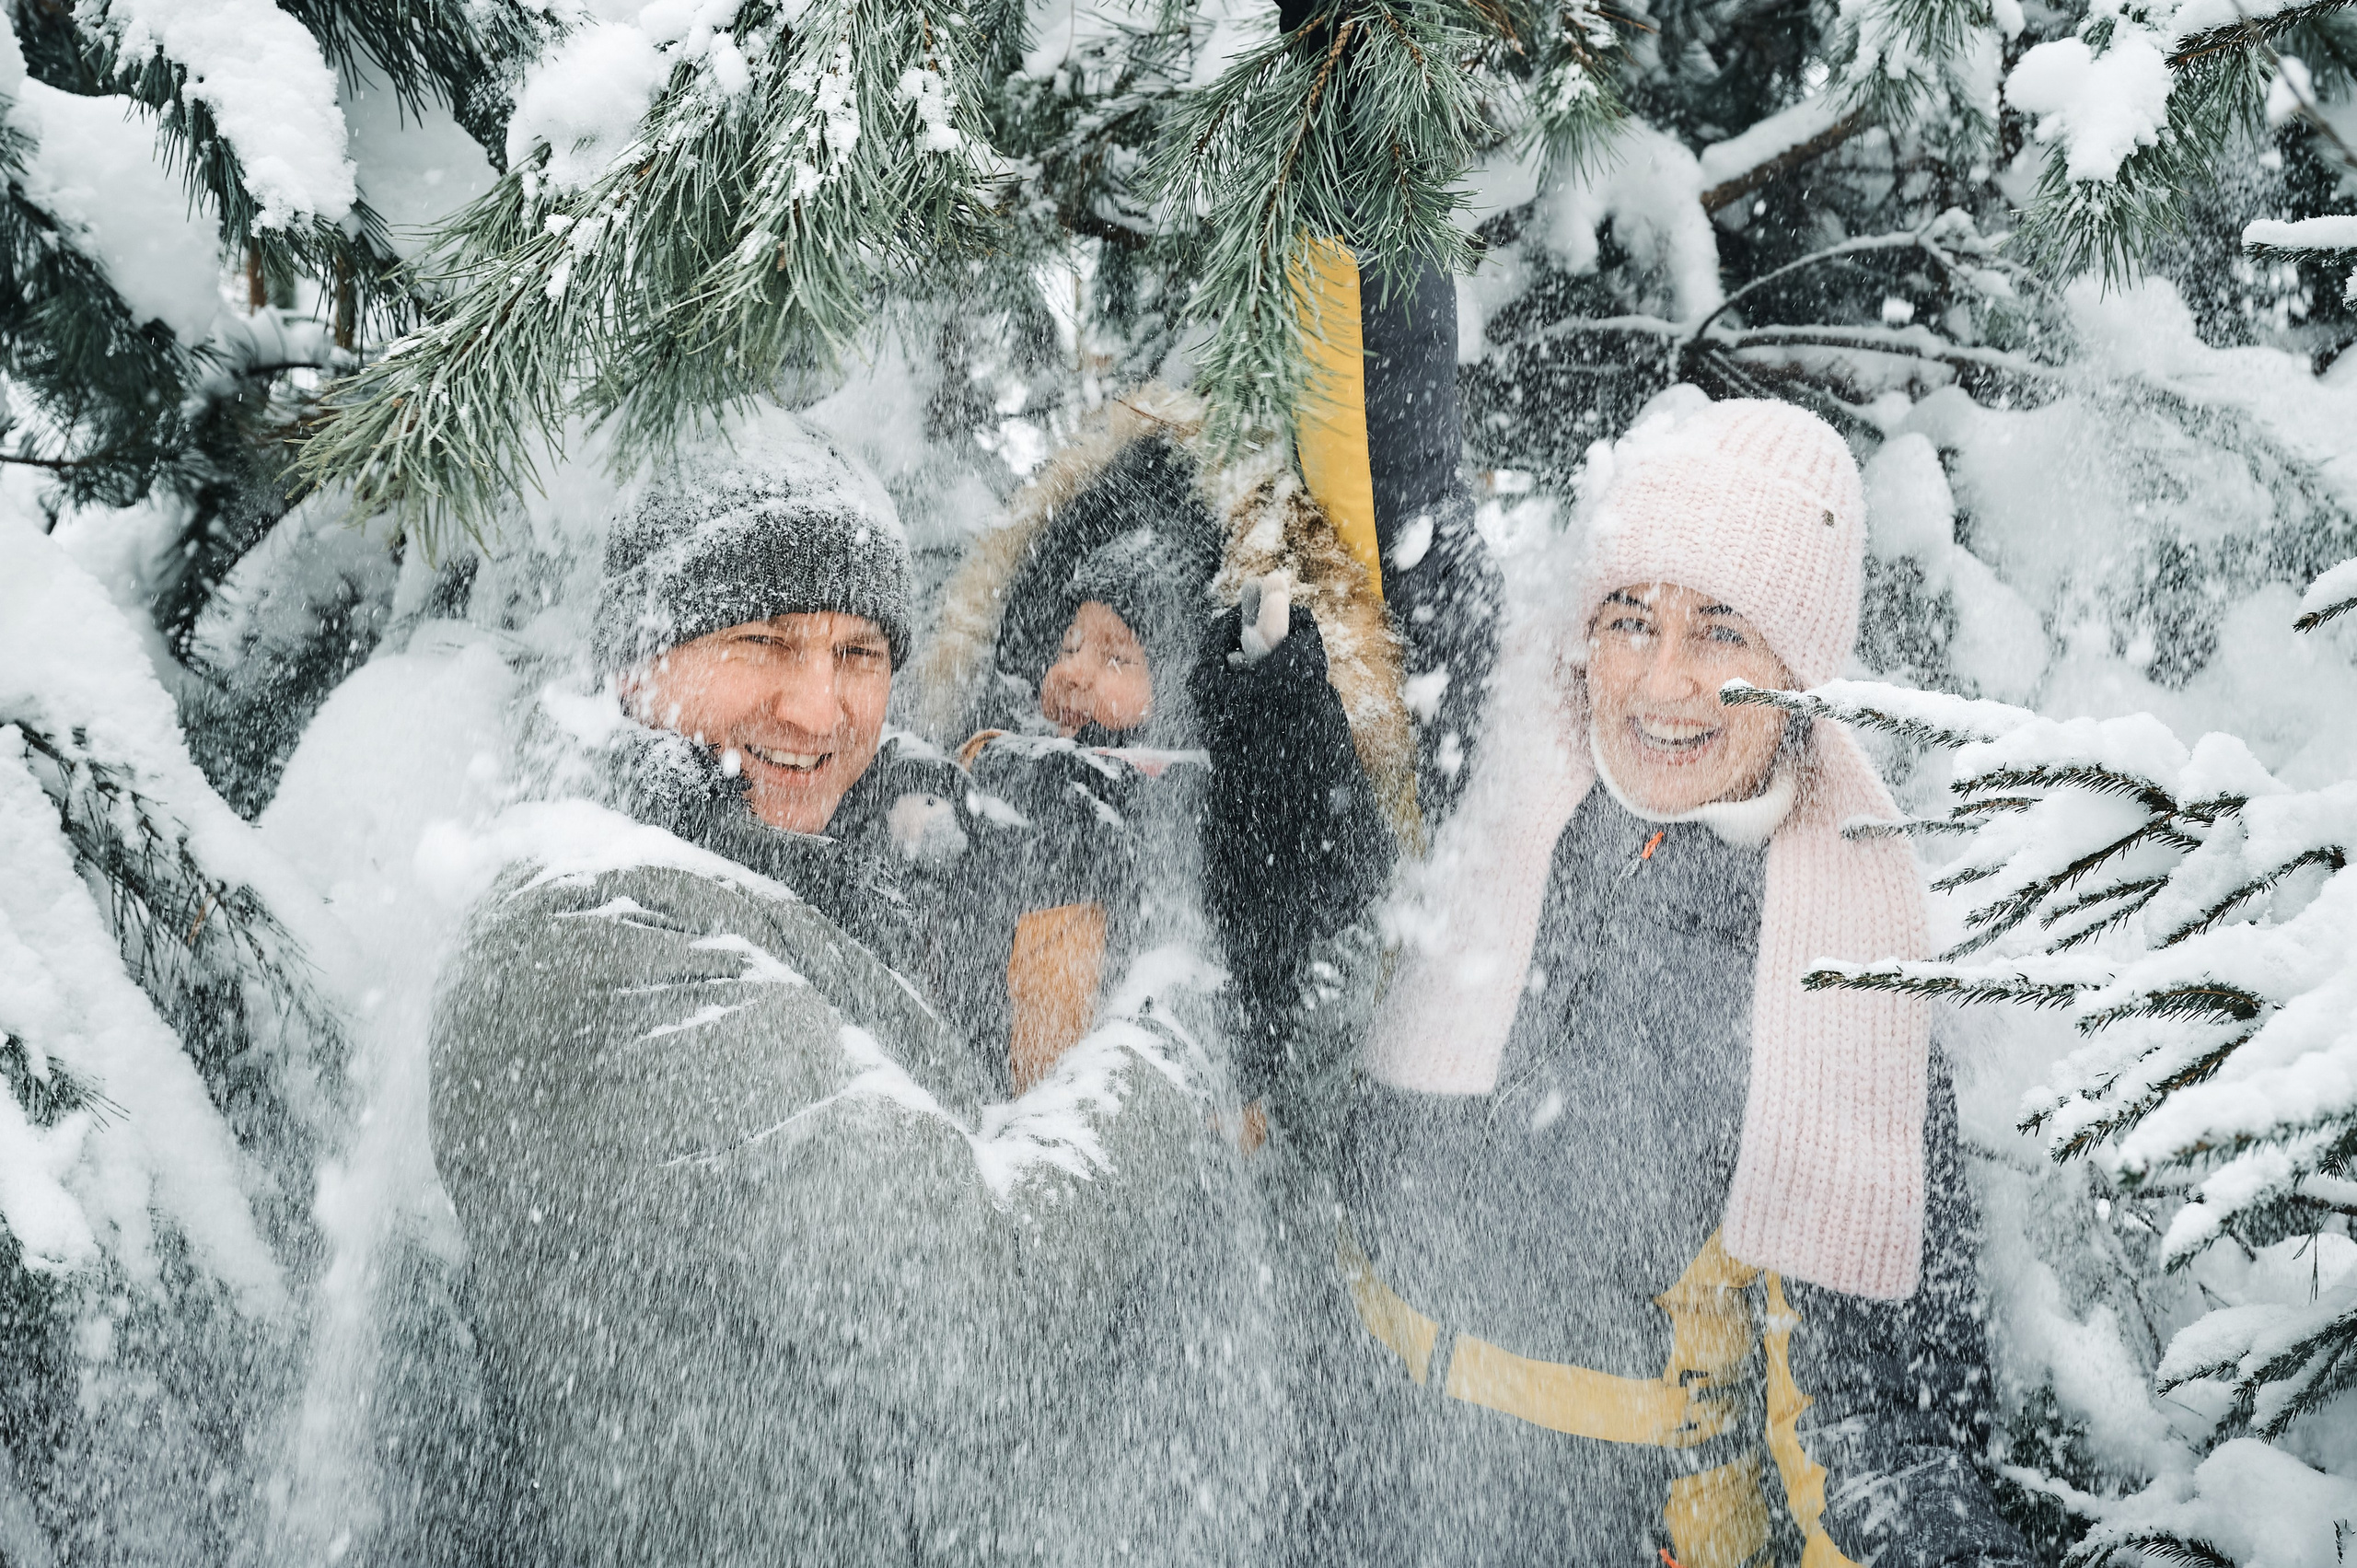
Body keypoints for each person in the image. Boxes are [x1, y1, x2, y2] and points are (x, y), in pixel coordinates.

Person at [428, 423, 1273, 1566]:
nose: (819, 711)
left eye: (859, 653)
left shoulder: (758, 860)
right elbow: (975, 1305)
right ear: (638, 660)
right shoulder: (593, 936)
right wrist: (1178, 1016)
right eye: (762, 641)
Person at [1308, 394, 2031, 1568]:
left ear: (1798, 671)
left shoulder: (1838, 969)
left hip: (1612, 1526)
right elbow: (1374, 464)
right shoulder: (1498, 778)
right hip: (1354, 1474)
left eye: (1724, 633)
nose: (1662, 682)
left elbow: (1868, 1427)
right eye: (1631, 618)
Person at [911, 387, 1408, 1110]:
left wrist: (1277, 703)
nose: (1075, 669)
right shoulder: (998, 761)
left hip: (1163, 1126)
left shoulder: (1207, 806)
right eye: (1071, 645)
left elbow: (1328, 865)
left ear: (1177, 697)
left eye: (1117, 659)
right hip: (1003, 1113)